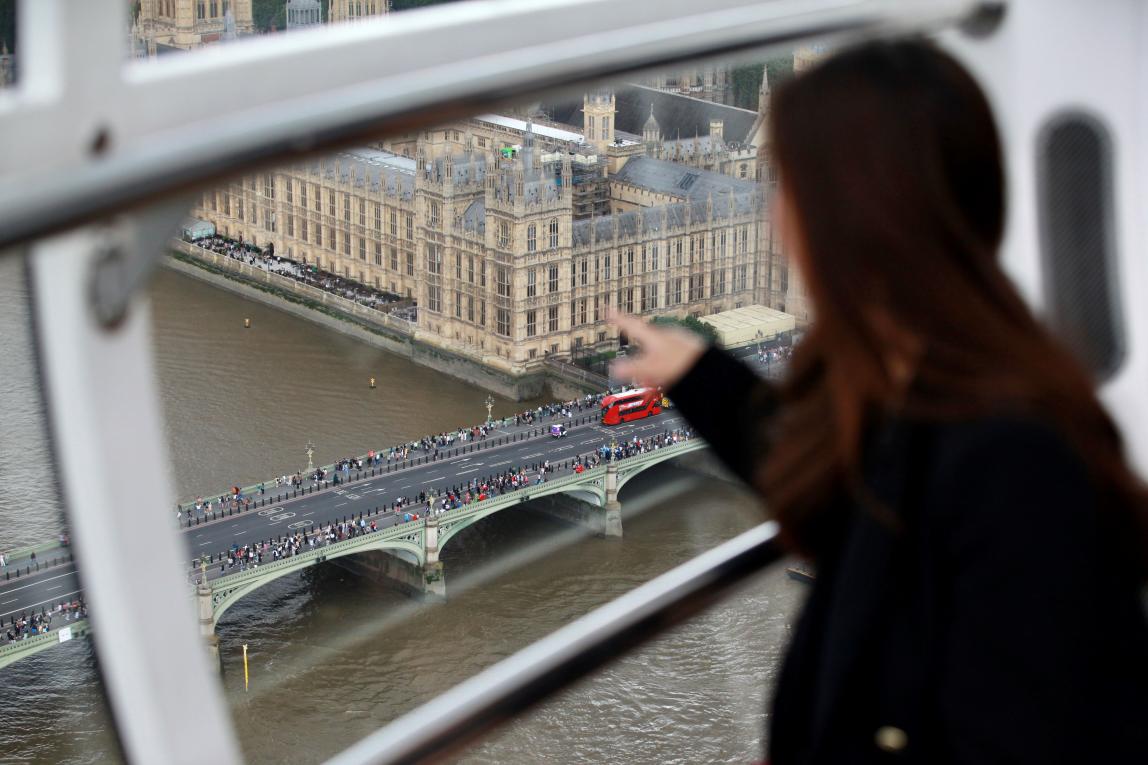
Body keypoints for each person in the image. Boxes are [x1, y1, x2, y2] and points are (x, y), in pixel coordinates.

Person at [611, 39, 1148, 764]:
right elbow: (842, 492)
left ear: (857, 215)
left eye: (787, 188)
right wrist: (700, 373)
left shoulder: (1018, 463)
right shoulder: (929, 381)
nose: (771, 220)